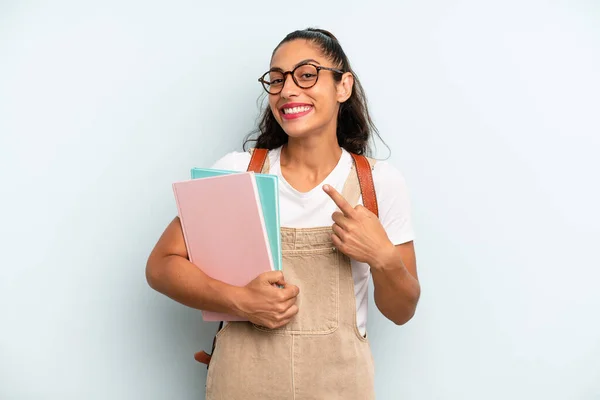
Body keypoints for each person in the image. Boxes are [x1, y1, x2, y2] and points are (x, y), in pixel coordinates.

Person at [145, 27, 420, 400]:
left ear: (343, 86)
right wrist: (239, 300)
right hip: (243, 382)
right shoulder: (238, 172)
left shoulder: (379, 184)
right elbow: (161, 265)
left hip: (340, 386)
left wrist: (383, 258)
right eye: (276, 80)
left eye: (306, 74)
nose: (287, 90)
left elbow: (402, 311)